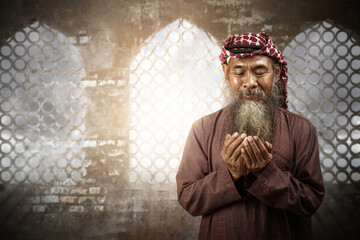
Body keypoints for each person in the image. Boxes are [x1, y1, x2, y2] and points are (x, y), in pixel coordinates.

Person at [176, 32, 325, 240]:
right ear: (226, 72)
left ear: (276, 71)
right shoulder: (202, 129)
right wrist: (231, 174)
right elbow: (188, 198)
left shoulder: (301, 129)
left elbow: (311, 199)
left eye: (260, 71)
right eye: (239, 72)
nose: (250, 82)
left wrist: (266, 173)